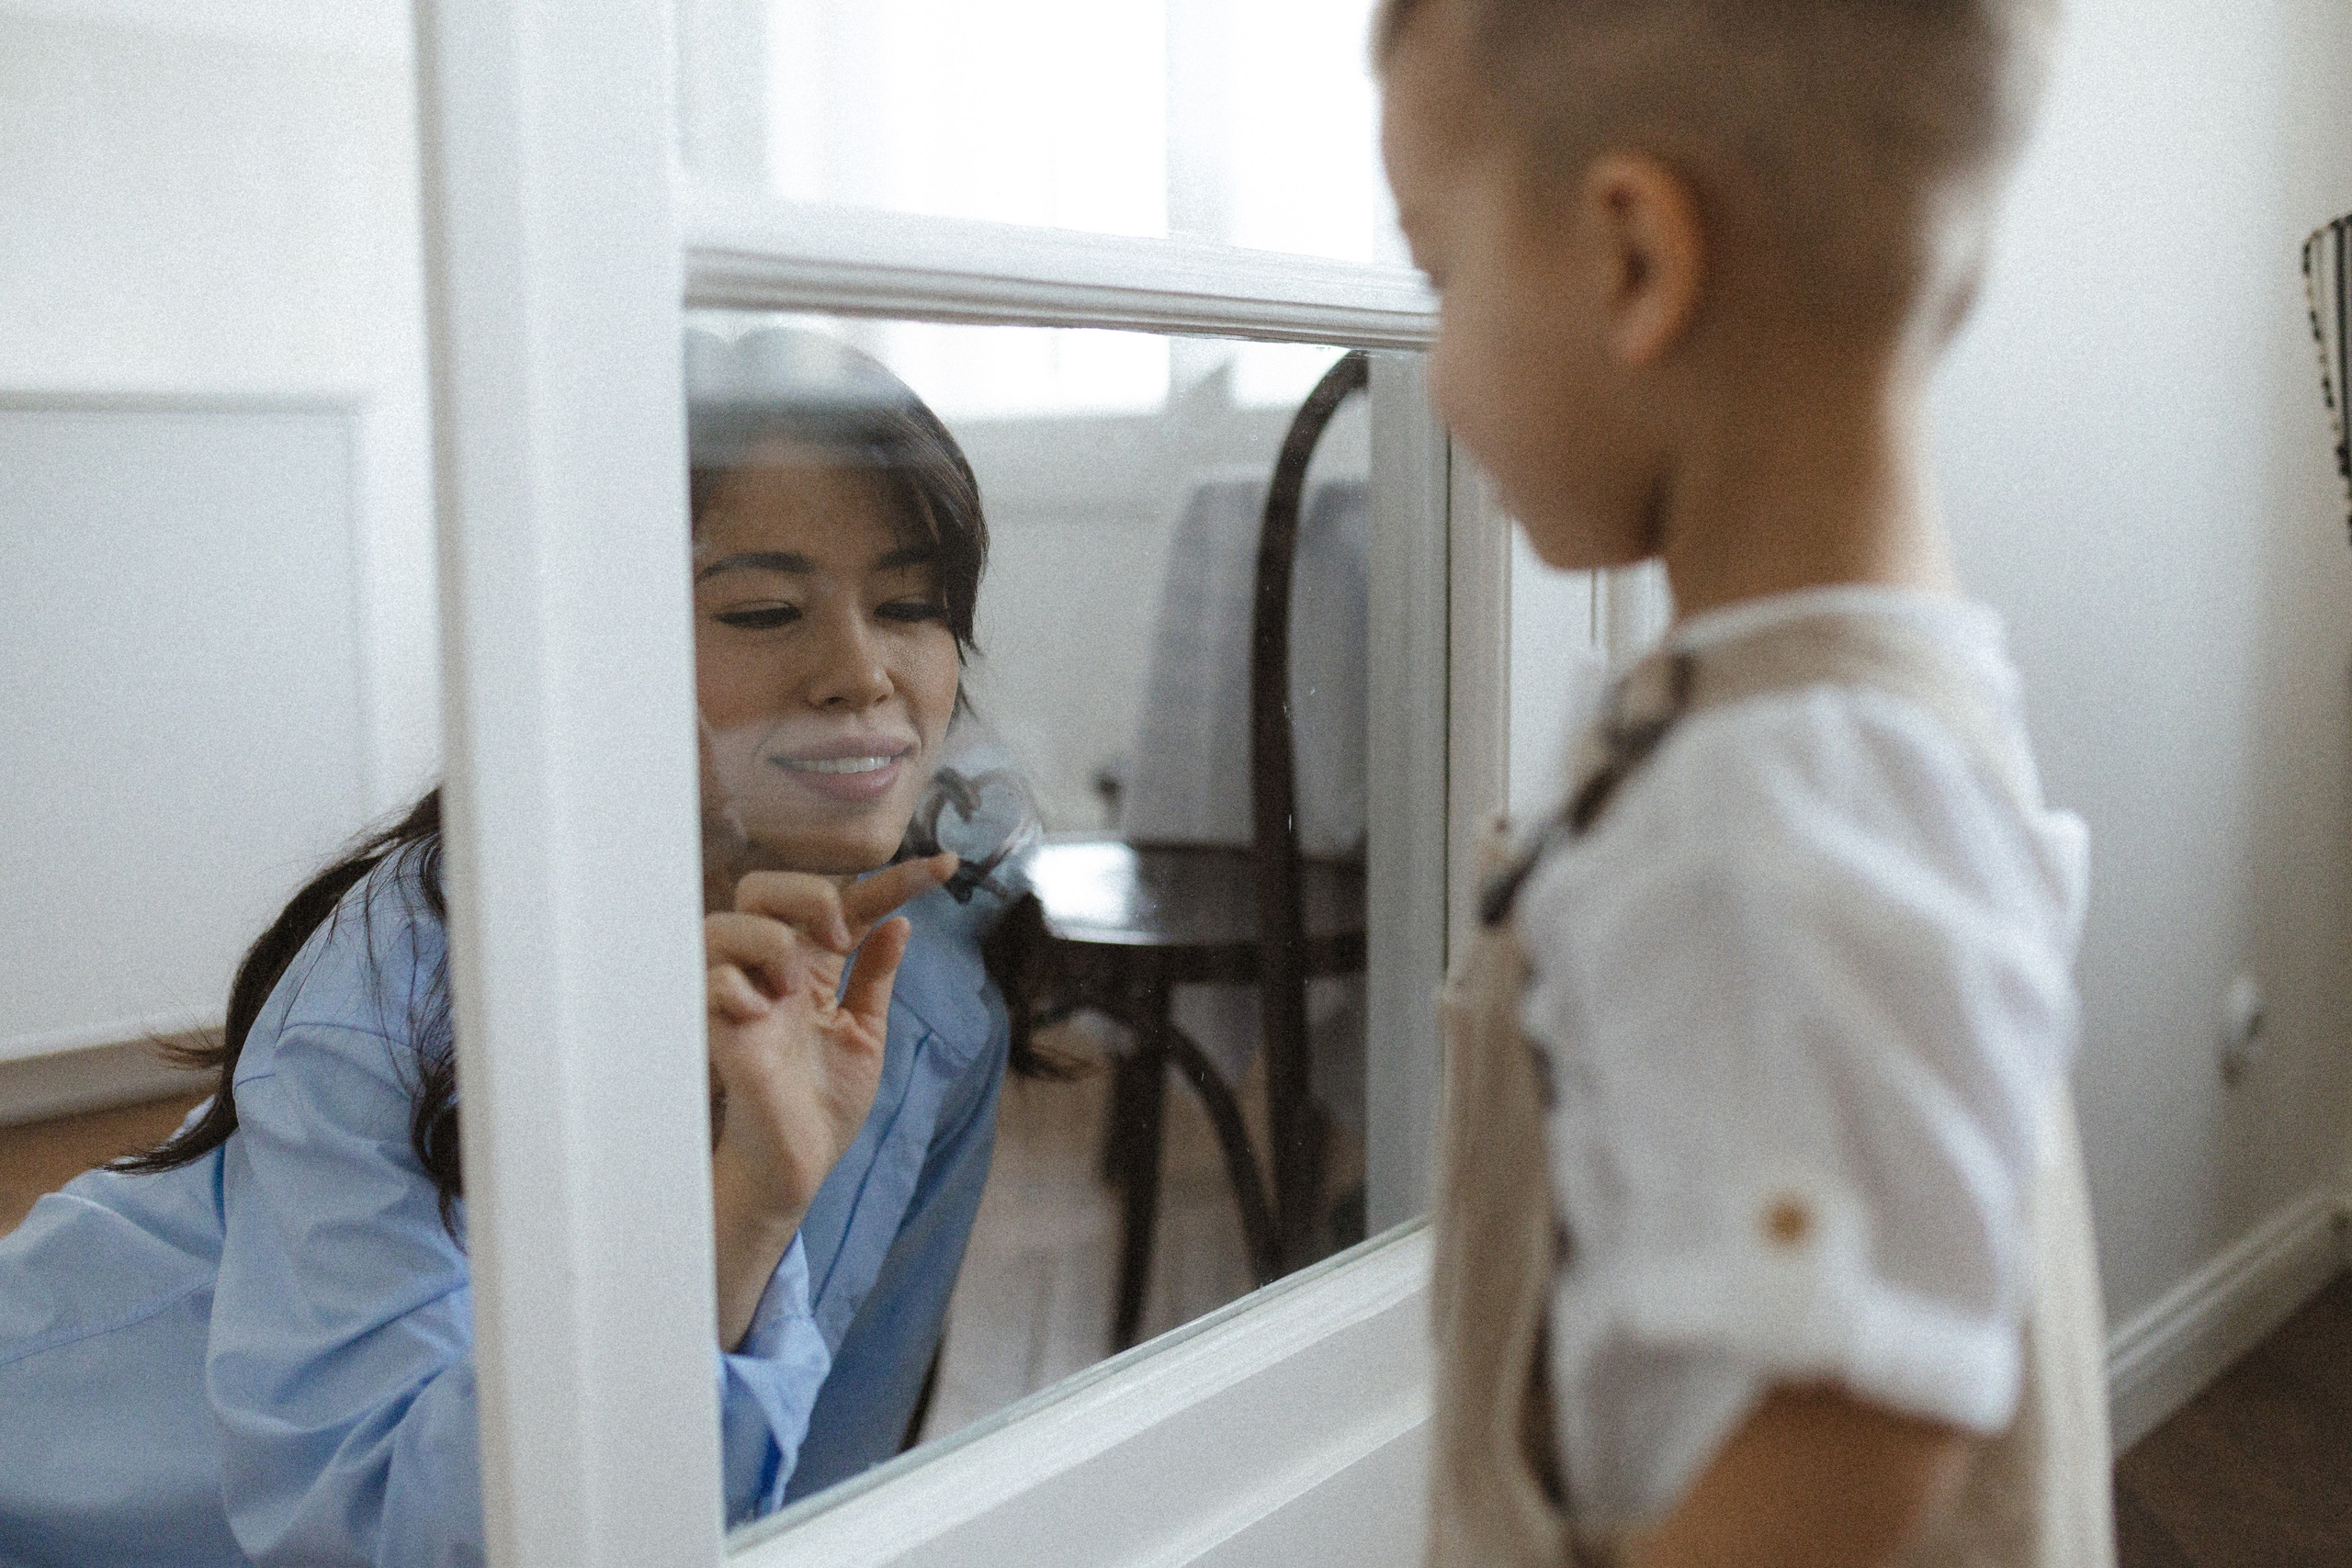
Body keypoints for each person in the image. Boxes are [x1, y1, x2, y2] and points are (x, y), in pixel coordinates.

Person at [0, 327, 1033, 1565]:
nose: (860, 672)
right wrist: (737, 1215)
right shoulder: (395, 986)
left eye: (911, 606)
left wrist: (748, 1213)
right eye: (763, 608)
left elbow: (829, 1471)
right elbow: (399, 1533)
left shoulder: (936, 1005)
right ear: (593, 650)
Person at [1374, 2, 2116, 1566]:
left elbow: (1843, 1447)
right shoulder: (1874, 721)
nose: (1430, 377)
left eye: (1440, 281)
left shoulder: (1780, 801)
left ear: (1635, 261)